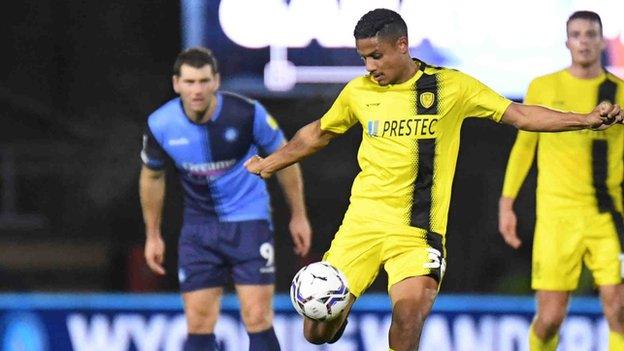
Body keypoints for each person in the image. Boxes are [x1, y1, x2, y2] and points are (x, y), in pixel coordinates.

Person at [244, 8, 624, 351]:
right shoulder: (358, 92)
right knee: (317, 334)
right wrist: (270, 163)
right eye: (363, 58)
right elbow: (317, 133)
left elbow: (520, 115)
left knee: (409, 315)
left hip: (416, 234)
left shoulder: (450, 87)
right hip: (360, 227)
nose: (369, 66)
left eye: (376, 56)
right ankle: (333, 314)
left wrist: (585, 119)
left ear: (402, 45)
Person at [139, 47, 312, 351]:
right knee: (198, 322)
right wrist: (153, 235)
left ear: (216, 81)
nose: (197, 90)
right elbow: (152, 177)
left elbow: (287, 157)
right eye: (190, 82)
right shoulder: (160, 125)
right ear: (176, 83)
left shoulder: (247, 113)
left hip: (249, 222)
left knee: (257, 317)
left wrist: (298, 215)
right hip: (198, 230)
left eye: (204, 81)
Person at [498, 10, 624, 351]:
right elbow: (524, 147)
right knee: (551, 317)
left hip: (606, 215)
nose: (584, 41)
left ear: (601, 40)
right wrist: (507, 203)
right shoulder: (543, 86)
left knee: (619, 307)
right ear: (567, 42)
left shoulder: (619, 92)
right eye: (577, 34)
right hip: (556, 217)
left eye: (591, 34)